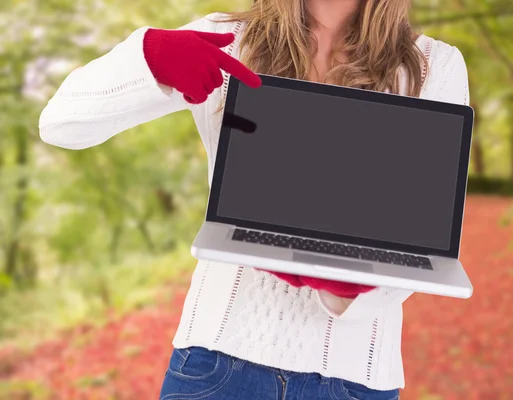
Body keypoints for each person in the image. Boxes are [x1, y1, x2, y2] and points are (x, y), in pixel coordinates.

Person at [39, 0, 469, 398]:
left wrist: (349, 285)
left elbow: (425, 241)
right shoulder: (230, 40)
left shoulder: (434, 66)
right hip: (214, 365)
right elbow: (60, 124)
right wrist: (150, 57)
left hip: (354, 380)